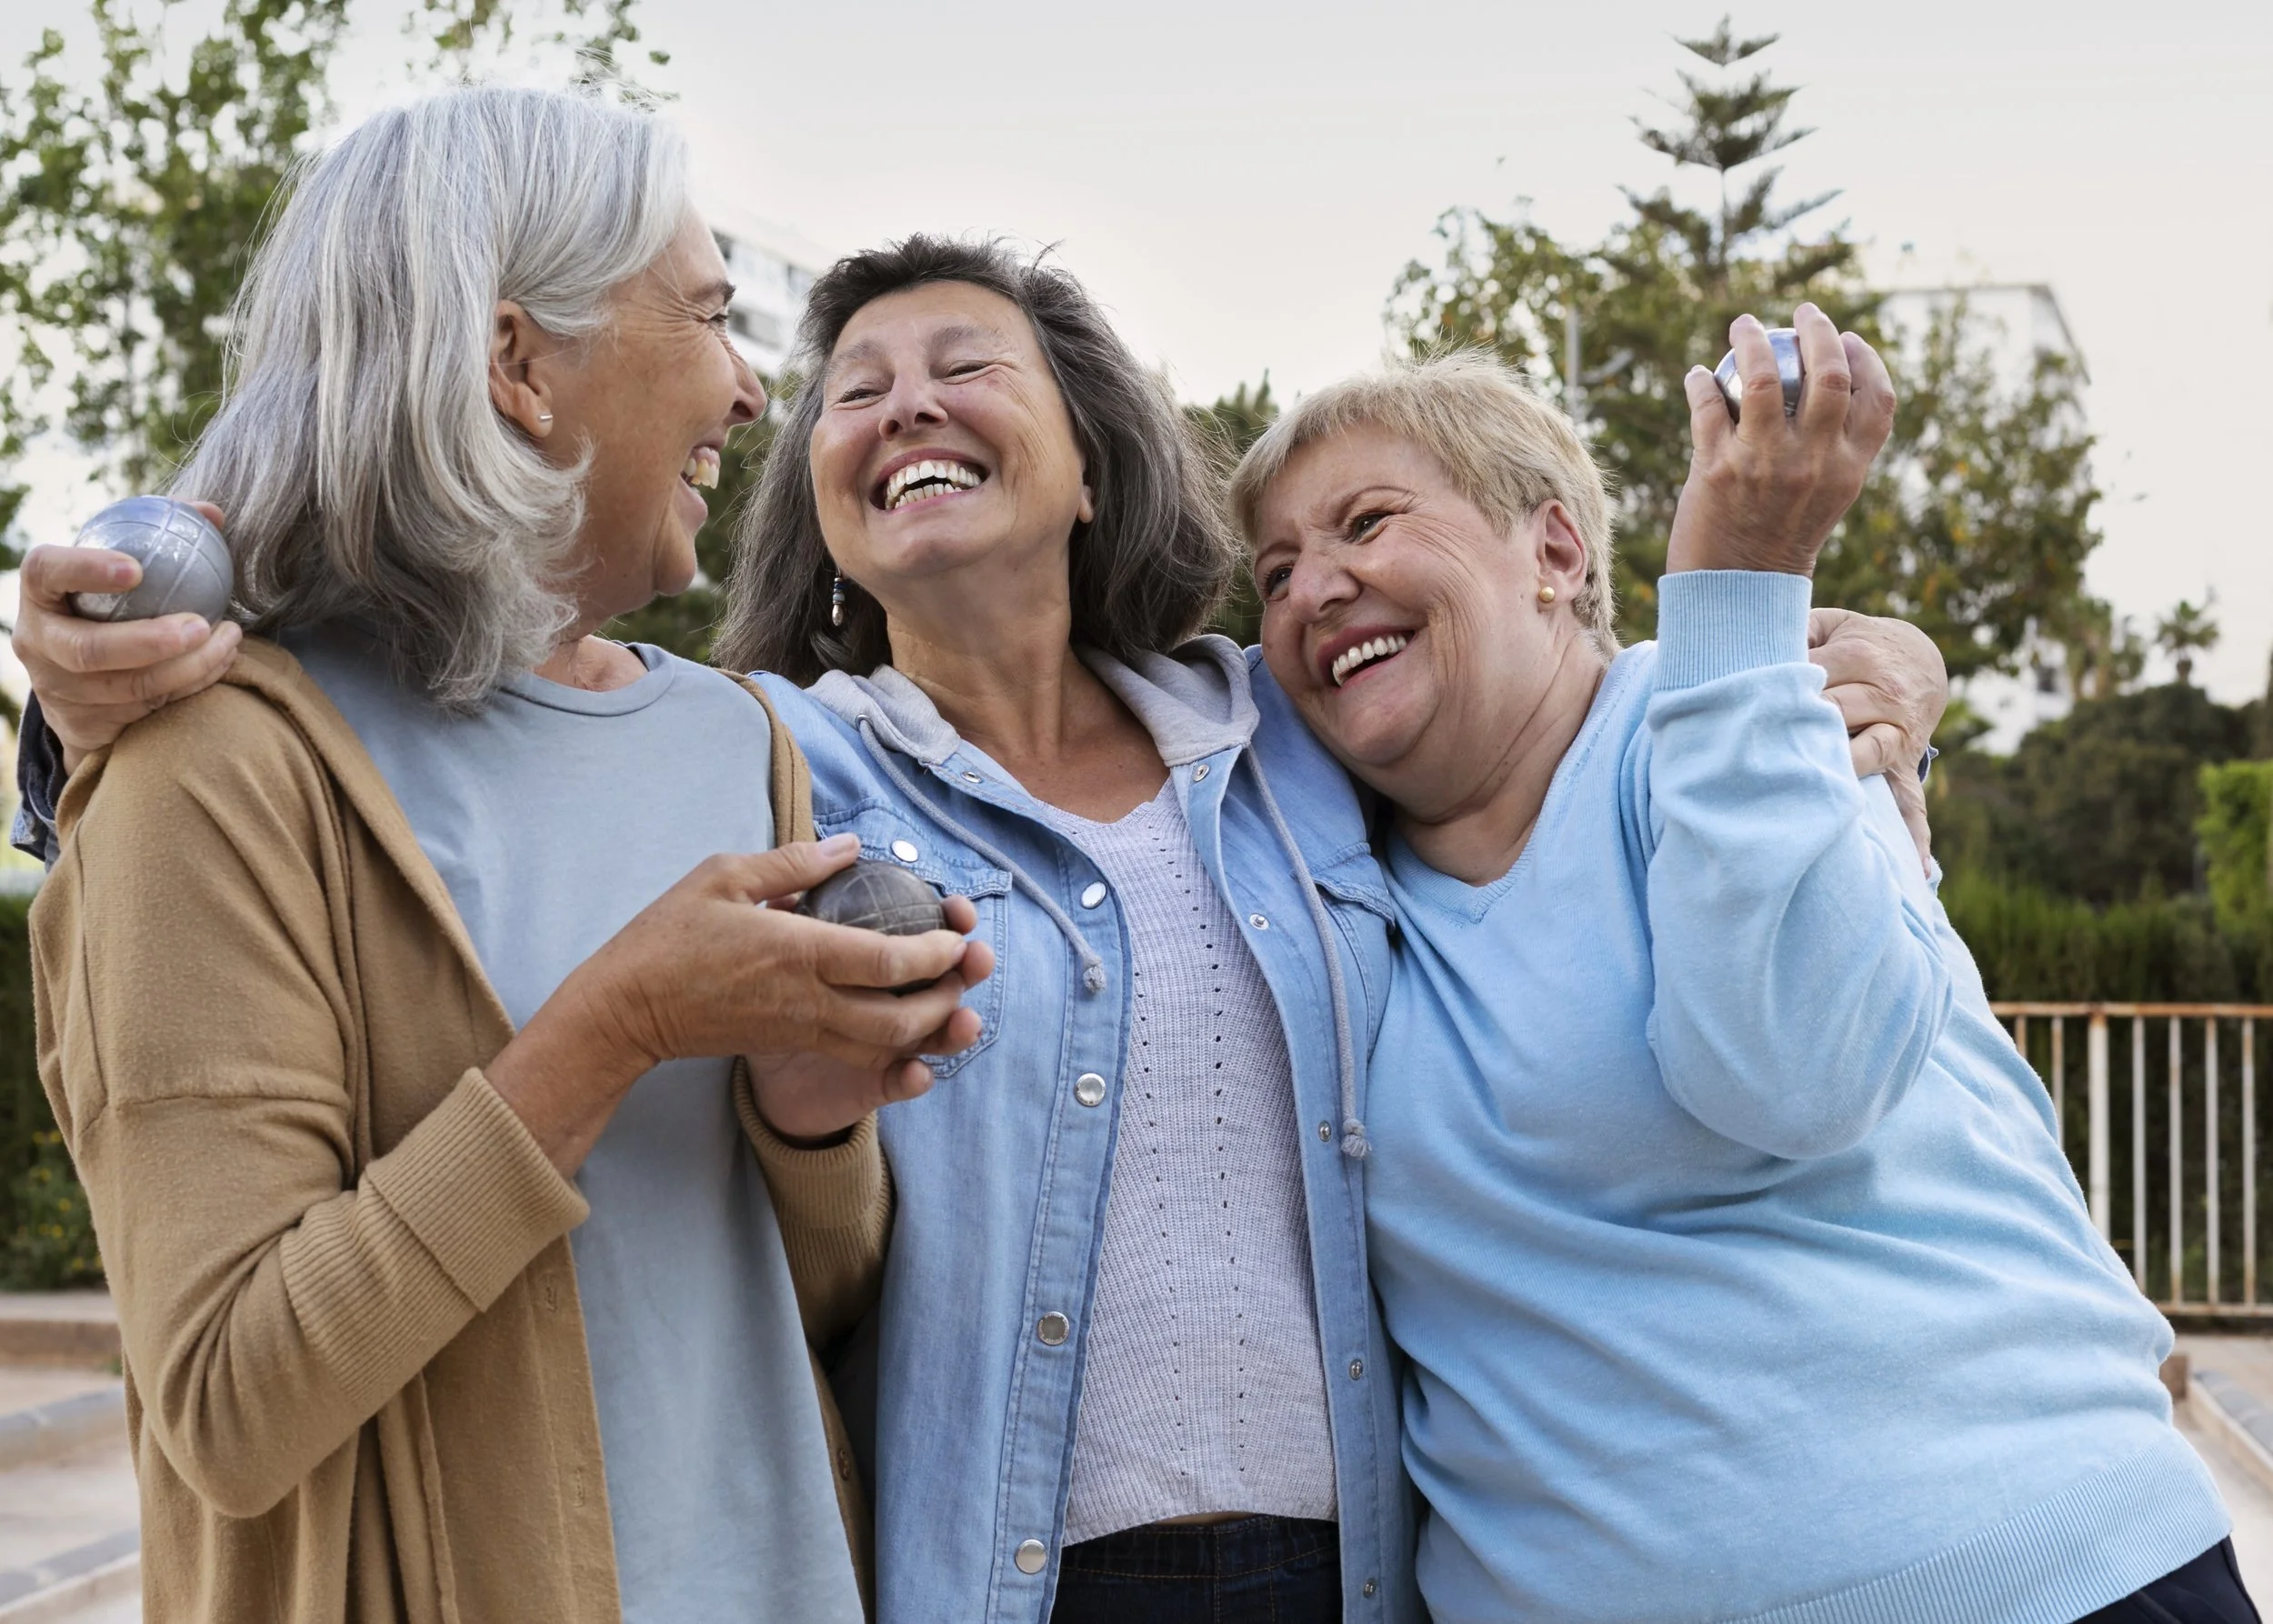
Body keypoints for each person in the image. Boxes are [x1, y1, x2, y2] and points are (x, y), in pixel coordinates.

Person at [18, 238, 1948, 1621]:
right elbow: (450, 739)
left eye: (963, 363)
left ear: (1085, 453)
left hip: (1356, 1560)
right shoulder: (761, 755)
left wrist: (1850, 664)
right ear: (829, 510)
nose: (901, 403)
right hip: (994, 1571)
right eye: (851, 391)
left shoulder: (1283, 727)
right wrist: (81, 706)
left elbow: (1553, 699)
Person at [14, 87, 990, 1624]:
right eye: (712, 315)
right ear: (517, 363)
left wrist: (809, 1122)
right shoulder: (217, 771)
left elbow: (802, 1303)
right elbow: (230, 1404)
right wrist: (620, 1028)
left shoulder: (738, 744)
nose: (752, 393)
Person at [1232, 320, 2252, 1623]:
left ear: (1554, 550)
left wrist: (1738, 591)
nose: (1313, 587)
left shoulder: (1762, 716)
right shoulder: (1320, 888)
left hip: (2023, 1586)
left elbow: (1798, 1075)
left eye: (1366, 522)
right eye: (1274, 572)